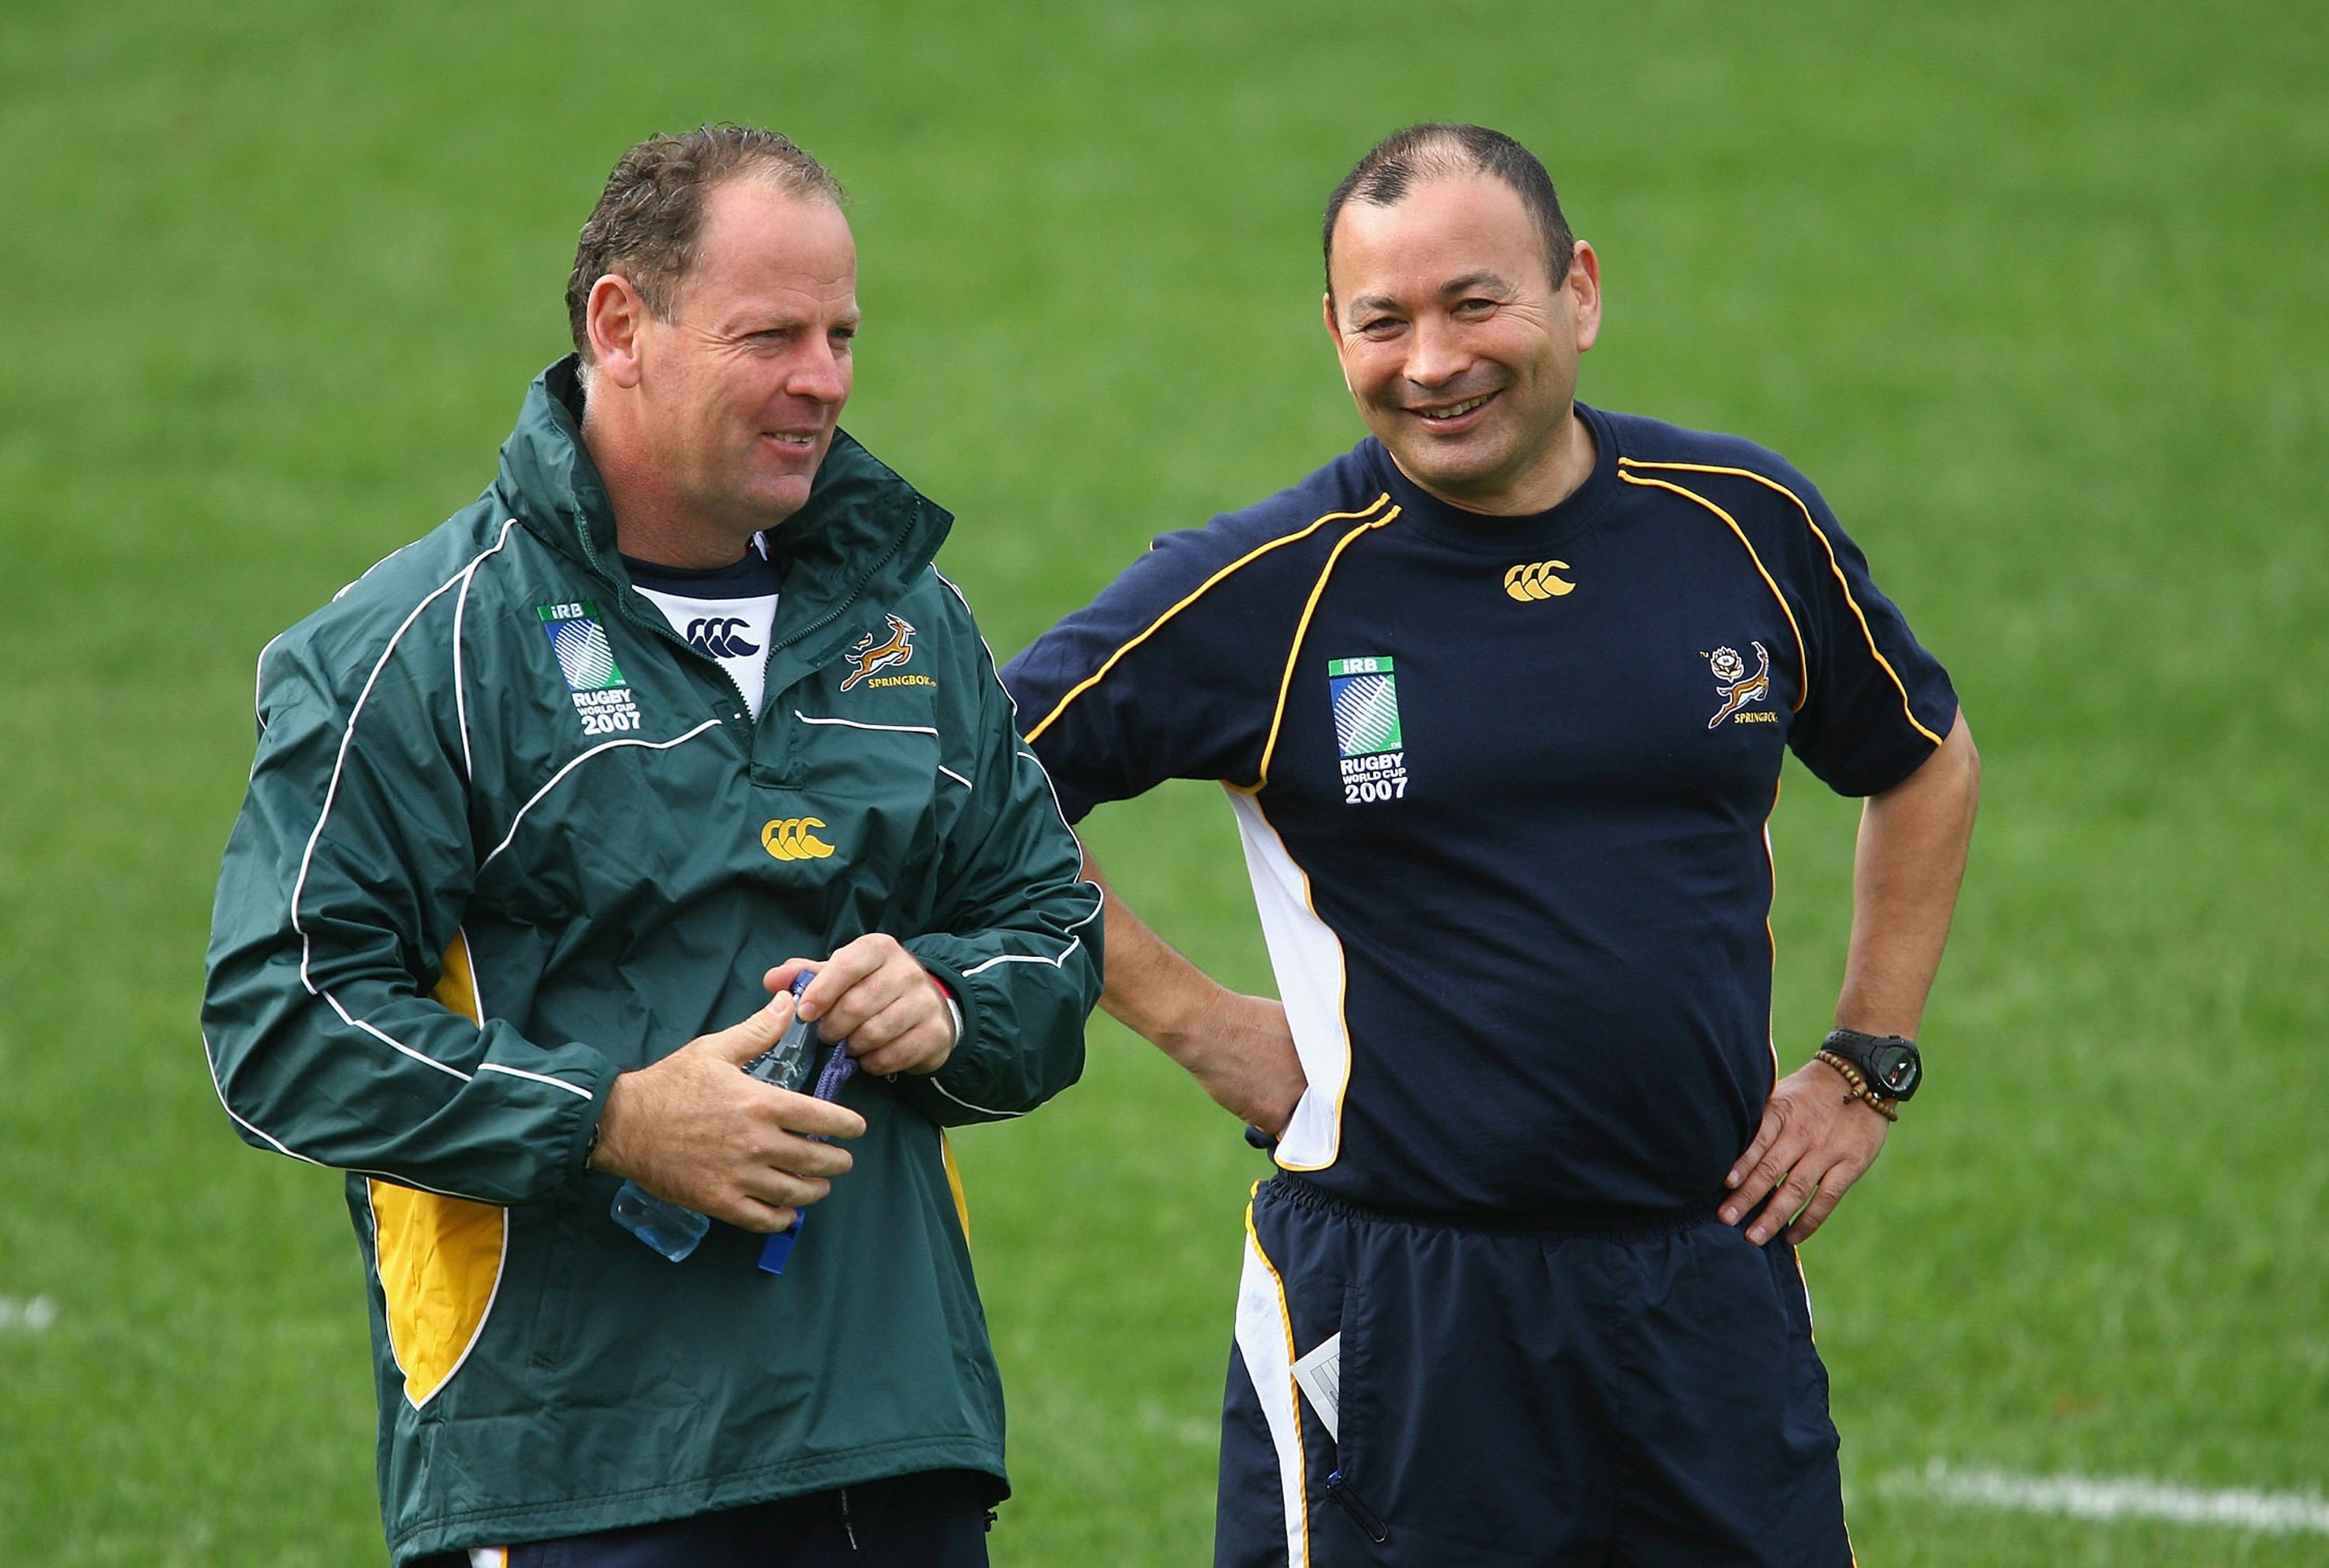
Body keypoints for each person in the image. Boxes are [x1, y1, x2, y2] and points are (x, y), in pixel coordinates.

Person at [1000, 123, 1979, 1566]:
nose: (1433, 362)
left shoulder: (1740, 524)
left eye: (1474, 303)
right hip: (1399, 1302)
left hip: (1706, 1281)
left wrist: (1866, 1060)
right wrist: (1204, 1027)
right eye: (1382, 322)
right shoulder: (1272, 586)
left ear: (1577, 292)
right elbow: (978, 785)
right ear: (1332, 333)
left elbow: (1923, 758)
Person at [202, 127, 1102, 1568]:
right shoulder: (417, 653)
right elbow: (279, 1021)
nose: (826, 380)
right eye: (771, 337)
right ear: (622, 327)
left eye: (842, 334)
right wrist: (609, 1123)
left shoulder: (905, 624)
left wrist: (943, 1004)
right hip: (573, 1465)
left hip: (892, 1436)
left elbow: (1050, 927)